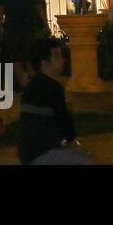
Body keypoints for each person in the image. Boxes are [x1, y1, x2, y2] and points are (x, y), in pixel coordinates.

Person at [18, 37, 88, 165]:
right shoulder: (53, 88)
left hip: (29, 154)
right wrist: (72, 140)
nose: (63, 60)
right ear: (44, 63)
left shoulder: (32, 86)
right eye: (57, 56)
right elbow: (65, 123)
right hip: (43, 153)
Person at [0, 0, 46, 78]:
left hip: (11, 29)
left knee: (16, 60)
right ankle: (33, 84)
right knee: (29, 58)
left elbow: (0, 13)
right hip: (29, 28)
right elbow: (39, 8)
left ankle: (24, 85)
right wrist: (45, 25)